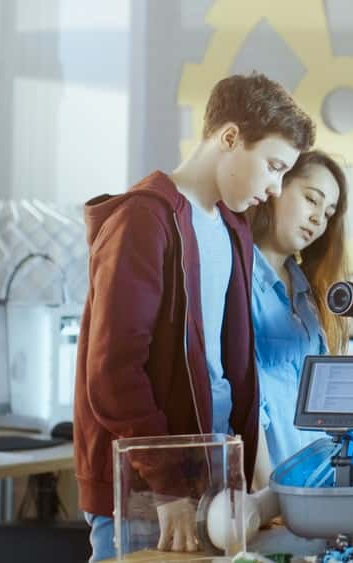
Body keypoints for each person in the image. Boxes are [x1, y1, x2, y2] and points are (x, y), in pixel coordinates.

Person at [73, 72, 315, 562]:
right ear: (229, 138)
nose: (274, 189)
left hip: (208, 485)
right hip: (146, 492)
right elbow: (114, 373)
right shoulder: (144, 220)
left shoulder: (232, 229)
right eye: (272, 166)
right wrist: (168, 489)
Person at [246, 149, 349, 485]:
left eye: (329, 212)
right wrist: (265, 496)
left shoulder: (308, 295)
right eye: (311, 199)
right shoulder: (237, 278)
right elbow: (245, 397)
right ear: (275, 187)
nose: (319, 219)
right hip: (268, 490)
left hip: (319, 489)